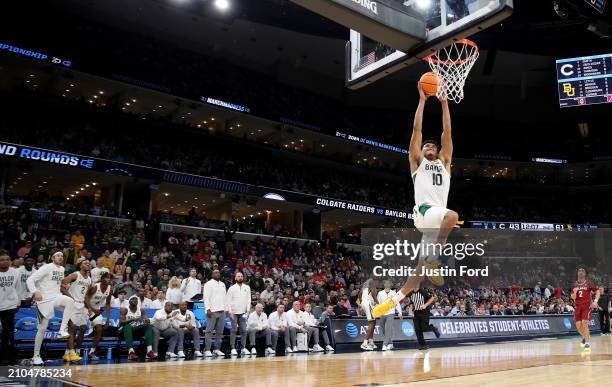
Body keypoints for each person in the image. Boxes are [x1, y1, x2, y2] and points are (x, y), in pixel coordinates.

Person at [373, 85, 457, 318]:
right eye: (425, 145)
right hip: (425, 212)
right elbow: (416, 129)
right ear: (420, 151)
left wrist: (444, 102)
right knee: (453, 216)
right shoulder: (417, 163)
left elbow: (447, 132)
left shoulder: (445, 162)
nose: (429, 146)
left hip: (434, 221)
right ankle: (435, 259)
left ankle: (389, 304)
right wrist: (422, 100)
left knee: (416, 278)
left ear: (438, 151)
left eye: (433, 145)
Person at [26, 250, 76, 365]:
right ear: (52, 257)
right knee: (42, 328)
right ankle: (36, 355)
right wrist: (35, 291)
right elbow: (30, 280)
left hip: (56, 297)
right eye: (58, 255)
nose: (60, 257)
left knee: (70, 301)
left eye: (62, 256)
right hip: (44, 300)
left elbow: (55, 284)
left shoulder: (62, 269)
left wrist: (64, 285)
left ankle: (62, 330)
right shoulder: (46, 267)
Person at [61, 257, 92, 362]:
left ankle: (70, 351)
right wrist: (70, 298)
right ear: (80, 265)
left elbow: (87, 295)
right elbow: (62, 284)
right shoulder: (75, 275)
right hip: (73, 304)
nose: (88, 264)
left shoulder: (89, 279)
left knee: (83, 328)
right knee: (72, 329)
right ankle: (72, 352)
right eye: (85, 263)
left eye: (89, 263)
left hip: (82, 305)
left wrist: (89, 307)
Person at [85, 271, 113, 360]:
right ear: (102, 279)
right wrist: (91, 309)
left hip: (97, 310)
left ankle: (92, 351)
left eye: (110, 278)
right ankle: (74, 350)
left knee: (99, 329)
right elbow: (86, 298)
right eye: (107, 278)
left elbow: (108, 304)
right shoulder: (94, 287)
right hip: (86, 307)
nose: (109, 280)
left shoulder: (110, 289)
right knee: (80, 328)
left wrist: (108, 319)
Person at [571, 268, 600, 353]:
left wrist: (595, 301)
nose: (580, 272)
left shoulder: (589, 283)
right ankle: (585, 337)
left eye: (582, 271)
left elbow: (597, 291)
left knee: (584, 323)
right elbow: (573, 297)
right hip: (577, 307)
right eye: (579, 271)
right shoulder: (574, 284)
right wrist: (575, 293)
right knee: (578, 326)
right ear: (577, 273)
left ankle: (587, 344)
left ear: (585, 274)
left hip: (586, 306)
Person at [119, 295, 156, 361]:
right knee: (128, 326)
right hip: (126, 330)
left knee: (148, 325)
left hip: (137, 330)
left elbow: (145, 319)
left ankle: (149, 351)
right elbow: (121, 322)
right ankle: (131, 352)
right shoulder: (125, 310)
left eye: (136, 299)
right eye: (132, 299)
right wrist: (131, 320)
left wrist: (145, 320)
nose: (135, 300)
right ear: (129, 301)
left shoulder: (141, 310)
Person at [0, 250, 21, 365]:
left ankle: (7, 356)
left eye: (7, 260)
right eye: (2, 260)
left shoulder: (15, 272)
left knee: (8, 333)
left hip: (10, 305)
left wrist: (17, 303)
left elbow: (18, 288)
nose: (5, 262)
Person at [226, 271, 251, 356]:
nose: (240, 277)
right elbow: (228, 301)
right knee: (234, 330)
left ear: (243, 278)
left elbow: (249, 300)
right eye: (238, 276)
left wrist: (247, 311)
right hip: (234, 313)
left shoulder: (247, 287)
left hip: (243, 313)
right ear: (235, 278)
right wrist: (230, 312)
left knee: (244, 330)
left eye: (241, 276)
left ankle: (243, 347)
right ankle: (232, 348)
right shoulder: (231, 288)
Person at [203, 269, 227, 357]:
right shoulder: (208, 284)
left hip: (222, 310)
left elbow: (225, 297)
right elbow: (206, 297)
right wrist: (207, 309)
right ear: (212, 274)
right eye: (215, 272)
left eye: (218, 272)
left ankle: (217, 349)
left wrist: (226, 309)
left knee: (220, 332)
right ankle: (207, 349)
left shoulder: (222, 284)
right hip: (212, 311)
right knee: (209, 331)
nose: (217, 274)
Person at [377, 281, 403, 351]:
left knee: (388, 329)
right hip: (382, 313)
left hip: (391, 313)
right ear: (384, 284)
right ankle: (390, 343)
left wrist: (400, 312)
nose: (387, 284)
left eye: (389, 283)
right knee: (383, 329)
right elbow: (378, 304)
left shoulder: (394, 293)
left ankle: (384, 345)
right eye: (386, 283)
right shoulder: (380, 293)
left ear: (391, 285)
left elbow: (397, 303)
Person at [360, 283, 377, 351]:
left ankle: (371, 342)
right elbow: (373, 295)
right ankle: (365, 343)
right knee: (372, 322)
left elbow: (359, 295)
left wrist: (361, 303)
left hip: (365, 303)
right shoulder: (372, 284)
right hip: (368, 303)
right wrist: (378, 303)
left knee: (374, 321)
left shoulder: (364, 287)